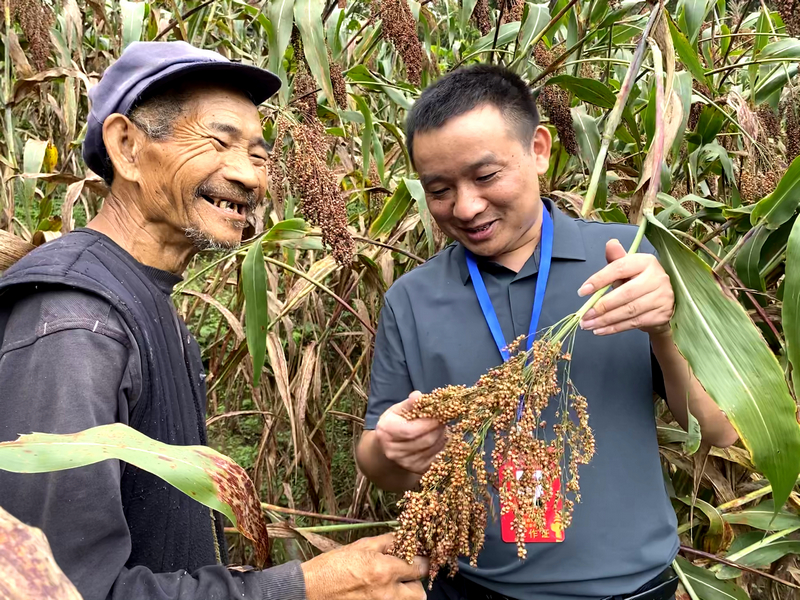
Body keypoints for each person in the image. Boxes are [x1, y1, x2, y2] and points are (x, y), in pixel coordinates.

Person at [0, 41, 427, 600]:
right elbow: (59, 591)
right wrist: (313, 584)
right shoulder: (77, 323)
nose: (248, 177)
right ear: (127, 147)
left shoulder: (143, 299)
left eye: (259, 154)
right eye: (219, 142)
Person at [356, 65, 738, 600]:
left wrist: (664, 330)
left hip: (633, 590)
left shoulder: (628, 262)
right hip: (473, 589)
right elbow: (380, 463)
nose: (465, 207)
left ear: (538, 149)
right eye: (440, 190)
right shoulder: (411, 300)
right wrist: (394, 450)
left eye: (486, 176)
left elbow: (719, 430)